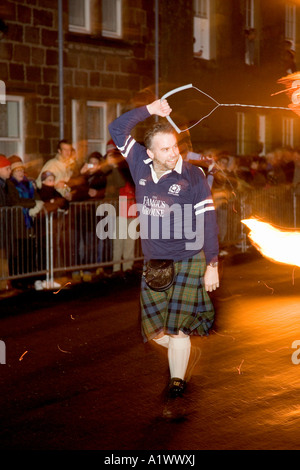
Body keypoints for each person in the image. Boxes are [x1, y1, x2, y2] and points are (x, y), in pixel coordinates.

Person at [108, 99, 219, 413]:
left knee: (179, 327)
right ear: (150, 153)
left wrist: (212, 263)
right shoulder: (138, 165)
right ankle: (180, 352)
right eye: (166, 149)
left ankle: (176, 380)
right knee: (157, 331)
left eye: (175, 147)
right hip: (155, 263)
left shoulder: (193, 177)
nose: (174, 153)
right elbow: (116, 128)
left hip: (189, 258)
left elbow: (208, 220)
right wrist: (150, 110)